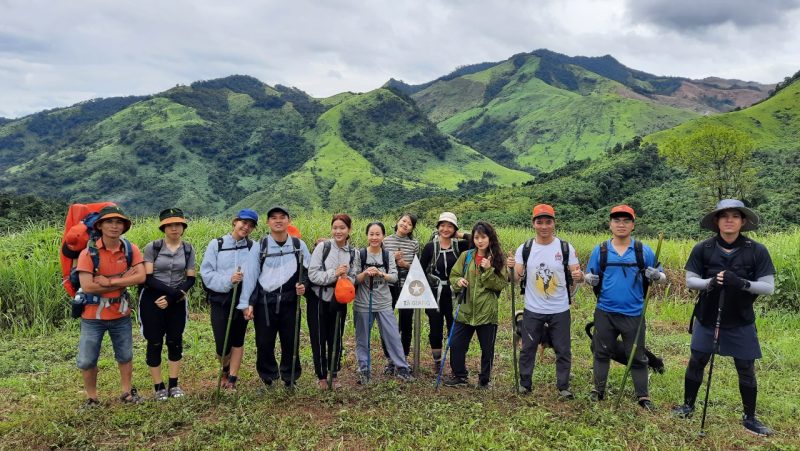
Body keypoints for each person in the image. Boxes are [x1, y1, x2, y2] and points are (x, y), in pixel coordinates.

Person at [672, 199, 775, 436]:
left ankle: (750, 417)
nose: (729, 220)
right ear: (716, 221)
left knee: (745, 367)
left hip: (740, 318)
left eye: (735, 216)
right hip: (707, 316)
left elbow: (768, 287)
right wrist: (710, 282)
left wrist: (742, 283)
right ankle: (688, 405)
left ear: (743, 221)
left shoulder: (757, 250)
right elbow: (690, 280)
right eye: (724, 215)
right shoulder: (703, 248)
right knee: (697, 360)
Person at [584, 205, 666, 410]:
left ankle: (643, 396)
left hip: (634, 313)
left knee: (637, 355)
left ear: (633, 225)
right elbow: (589, 275)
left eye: (626, 221)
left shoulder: (642, 250)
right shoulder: (601, 250)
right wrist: (589, 279)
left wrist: (656, 276)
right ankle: (598, 391)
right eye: (617, 220)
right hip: (605, 310)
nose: (621, 224)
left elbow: (662, 276)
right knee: (601, 352)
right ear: (610, 224)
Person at [508, 204, 582, 398]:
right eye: (539, 222)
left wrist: (578, 275)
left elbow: (577, 274)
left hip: (560, 308)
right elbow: (516, 278)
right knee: (528, 348)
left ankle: (563, 387)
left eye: (548, 222)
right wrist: (510, 269)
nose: (544, 226)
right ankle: (525, 384)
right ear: (533, 224)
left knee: (563, 349)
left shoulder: (565, 248)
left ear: (554, 223)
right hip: (533, 307)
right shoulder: (525, 249)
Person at [74, 205, 146, 406]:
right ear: (100, 226)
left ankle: (126, 392)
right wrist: (124, 278)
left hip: (120, 312)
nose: (114, 226)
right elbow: (87, 286)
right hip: (92, 316)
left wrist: (110, 281)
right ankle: (92, 398)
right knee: (87, 359)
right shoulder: (89, 253)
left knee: (125, 355)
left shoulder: (130, 249)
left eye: (119, 222)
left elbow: (140, 276)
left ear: (124, 226)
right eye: (109, 222)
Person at [239, 206, 311, 388]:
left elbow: (308, 271)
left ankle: (290, 377)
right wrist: (247, 303)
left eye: (282, 217)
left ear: (289, 220)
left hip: (290, 301)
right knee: (264, 341)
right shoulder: (260, 247)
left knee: (290, 340)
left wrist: (304, 285)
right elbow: (251, 276)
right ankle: (268, 377)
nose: (278, 220)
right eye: (273, 218)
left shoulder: (298, 245)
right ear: (268, 222)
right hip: (265, 302)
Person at [139, 208, 196, 400]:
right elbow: (148, 278)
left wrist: (173, 298)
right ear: (163, 227)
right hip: (152, 300)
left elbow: (190, 279)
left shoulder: (188, 249)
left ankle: (174, 384)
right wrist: (170, 294)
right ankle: (158, 386)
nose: (174, 228)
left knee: (175, 340)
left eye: (178, 224)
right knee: (154, 341)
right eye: (170, 225)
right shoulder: (153, 247)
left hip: (176, 301)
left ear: (183, 227)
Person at [200, 209, 258, 391]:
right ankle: (224, 367)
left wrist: (250, 302)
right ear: (235, 222)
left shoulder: (252, 247)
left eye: (250, 225)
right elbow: (206, 273)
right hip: (220, 298)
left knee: (238, 338)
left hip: (242, 298)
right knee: (221, 341)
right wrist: (227, 280)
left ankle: (232, 378)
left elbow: (257, 276)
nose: (246, 227)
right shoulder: (216, 244)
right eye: (243, 223)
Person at [444, 221, 508, 388]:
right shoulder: (467, 256)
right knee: (456, 344)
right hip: (465, 309)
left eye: (483, 237)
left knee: (487, 349)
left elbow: (499, 285)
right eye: (477, 237)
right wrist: (459, 281)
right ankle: (459, 376)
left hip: (486, 312)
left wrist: (488, 270)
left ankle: (484, 380)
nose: (480, 241)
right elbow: (453, 276)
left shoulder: (497, 259)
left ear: (490, 238)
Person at [353, 222, 413, 384]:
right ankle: (364, 369)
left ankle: (402, 367)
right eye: (371, 234)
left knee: (392, 335)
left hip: (384, 303)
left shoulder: (387, 255)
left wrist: (380, 273)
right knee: (362, 338)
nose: (374, 237)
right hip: (363, 303)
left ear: (383, 236)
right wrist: (365, 273)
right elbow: (353, 279)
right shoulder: (361, 255)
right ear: (367, 236)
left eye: (378, 234)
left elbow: (394, 277)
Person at [307, 214, 358, 389]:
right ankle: (321, 376)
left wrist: (346, 279)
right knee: (319, 337)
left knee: (336, 336)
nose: (338, 231)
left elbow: (354, 277)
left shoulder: (353, 252)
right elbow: (312, 275)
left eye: (342, 228)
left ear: (349, 230)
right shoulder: (323, 247)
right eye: (335, 227)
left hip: (339, 299)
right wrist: (334, 274)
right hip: (319, 298)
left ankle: (334, 374)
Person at [419, 212, 471, 373]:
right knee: (435, 326)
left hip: (455, 292)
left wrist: (460, 234)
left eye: (450, 226)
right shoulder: (430, 247)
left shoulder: (460, 246)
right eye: (442, 225)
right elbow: (420, 270)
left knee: (454, 327)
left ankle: (455, 361)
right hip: (435, 293)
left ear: (455, 228)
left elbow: (477, 239)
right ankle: (437, 361)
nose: (445, 229)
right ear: (438, 227)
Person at [380, 213, 419, 374]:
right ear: (397, 221)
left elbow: (418, 267)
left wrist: (405, 264)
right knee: (387, 323)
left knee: (406, 323)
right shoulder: (385, 241)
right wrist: (391, 258)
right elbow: (378, 262)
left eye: (409, 224)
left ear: (412, 228)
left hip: (408, 287)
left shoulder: (414, 244)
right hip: (387, 286)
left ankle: (403, 358)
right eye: (403, 221)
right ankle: (390, 359)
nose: (405, 224)